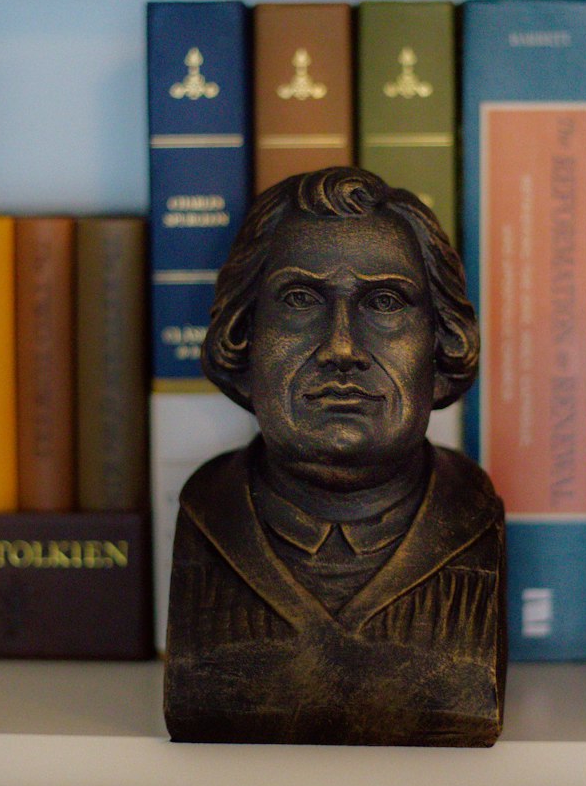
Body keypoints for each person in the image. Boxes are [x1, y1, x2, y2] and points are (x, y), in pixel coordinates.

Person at [163, 167, 506, 746]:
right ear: (242, 336)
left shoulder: (474, 516)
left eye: (385, 301)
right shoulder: (206, 515)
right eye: (300, 300)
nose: (342, 347)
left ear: (442, 341)